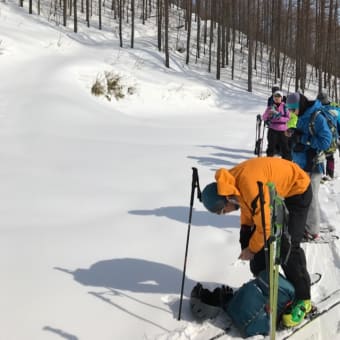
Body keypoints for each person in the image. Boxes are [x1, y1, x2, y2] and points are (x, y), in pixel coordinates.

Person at [200, 157, 312, 328]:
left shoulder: (247, 184)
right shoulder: (231, 184)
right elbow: (247, 207)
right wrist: (245, 235)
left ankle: (303, 300)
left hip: (298, 190)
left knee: (288, 246)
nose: (225, 214)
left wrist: (251, 249)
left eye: (222, 212)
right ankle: (268, 284)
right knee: (257, 240)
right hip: (279, 194)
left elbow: (265, 226)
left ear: (225, 200)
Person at [285, 92, 332, 239]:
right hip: (300, 164)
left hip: (313, 165)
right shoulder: (300, 115)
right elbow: (300, 133)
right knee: (299, 197)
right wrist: (292, 134)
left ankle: (312, 231)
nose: (291, 113)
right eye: (290, 110)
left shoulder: (316, 117)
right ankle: (303, 223)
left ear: (301, 105)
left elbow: (326, 142)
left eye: (293, 109)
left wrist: (303, 139)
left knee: (310, 198)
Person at [262, 90, 291, 160]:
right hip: (272, 129)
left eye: (278, 96)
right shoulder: (270, 107)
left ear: (281, 98)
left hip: (283, 130)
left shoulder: (285, 107)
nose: (277, 98)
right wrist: (268, 112)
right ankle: (269, 162)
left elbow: (288, 118)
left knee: (285, 148)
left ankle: (287, 163)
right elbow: (264, 117)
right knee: (271, 147)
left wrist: (280, 118)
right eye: (275, 96)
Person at [316, 90, 339, 180]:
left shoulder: (317, 109)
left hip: (326, 135)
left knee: (323, 155)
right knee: (325, 155)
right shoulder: (334, 108)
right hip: (328, 136)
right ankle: (326, 174)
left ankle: (325, 174)